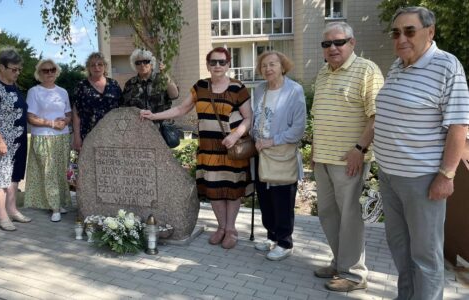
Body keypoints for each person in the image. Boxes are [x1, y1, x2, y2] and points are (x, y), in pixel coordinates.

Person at [373, 7, 469, 300]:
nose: (401, 38)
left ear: (430, 32)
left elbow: (458, 127)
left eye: (409, 31)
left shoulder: (446, 66)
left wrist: (446, 175)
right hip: (390, 177)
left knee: (425, 256)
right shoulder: (397, 65)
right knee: (400, 249)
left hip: (422, 180)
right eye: (396, 32)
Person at [141, 47, 252, 249]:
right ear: (208, 65)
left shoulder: (238, 88)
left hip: (231, 149)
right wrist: (154, 116)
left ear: (228, 64)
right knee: (215, 190)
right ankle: (220, 228)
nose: (217, 65)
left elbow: (248, 118)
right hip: (208, 149)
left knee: (232, 191)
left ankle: (231, 230)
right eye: (213, 62)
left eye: (222, 62)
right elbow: (181, 109)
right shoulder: (200, 87)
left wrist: (235, 135)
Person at [311, 22, 384, 292]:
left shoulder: (367, 70)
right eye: (326, 44)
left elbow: (377, 117)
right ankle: (340, 262)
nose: (332, 48)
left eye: (338, 42)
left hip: (350, 160)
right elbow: (320, 115)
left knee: (350, 217)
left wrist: (360, 149)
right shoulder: (322, 72)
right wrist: (316, 151)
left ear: (352, 43)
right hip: (324, 159)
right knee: (328, 215)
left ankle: (354, 275)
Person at [250, 51, 306, 261]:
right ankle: (272, 237)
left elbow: (298, 129)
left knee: (282, 199)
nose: (268, 69)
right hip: (261, 153)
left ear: (283, 66)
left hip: (281, 152)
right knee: (265, 199)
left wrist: (271, 141)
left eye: (272, 64)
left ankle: (285, 242)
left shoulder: (294, 91)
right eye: (264, 65)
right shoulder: (260, 89)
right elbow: (256, 118)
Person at [0, 47, 31, 231]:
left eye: (19, 69)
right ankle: (2, 215)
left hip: (17, 139)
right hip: (1, 141)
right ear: (2, 67)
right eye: (13, 69)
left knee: (14, 174)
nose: (17, 73)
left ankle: (12, 209)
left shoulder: (12, 84)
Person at [23, 59, 72, 222]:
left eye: (52, 70)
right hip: (43, 137)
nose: (49, 73)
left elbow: (68, 114)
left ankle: (58, 202)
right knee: (48, 171)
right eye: (45, 71)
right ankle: (55, 207)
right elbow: (30, 117)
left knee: (60, 171)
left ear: (56, 71)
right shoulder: (34, 91)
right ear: (39, 73)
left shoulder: (63, 92)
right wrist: (51, 123)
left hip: (62, 137)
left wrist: (65, 121)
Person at [71, 52, 121, 151]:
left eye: (100, 64)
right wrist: (76, 136)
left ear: (105, 66)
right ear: (88, 68)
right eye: (92, 65)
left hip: (112, 133)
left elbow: (121, 110)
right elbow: (76, 113)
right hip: (88, 133)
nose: (96, 67)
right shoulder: (81, 86)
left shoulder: (114, 84)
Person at [121, 49, 179, 113]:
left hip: (161, 122)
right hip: (139, 122)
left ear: (151, 64)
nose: (142, 65)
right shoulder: (130, 84)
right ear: (135, 66)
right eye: (138, 63)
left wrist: (165, 74)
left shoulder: (161, 79)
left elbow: (174, 95)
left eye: (146, 61)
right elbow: (125, 107)